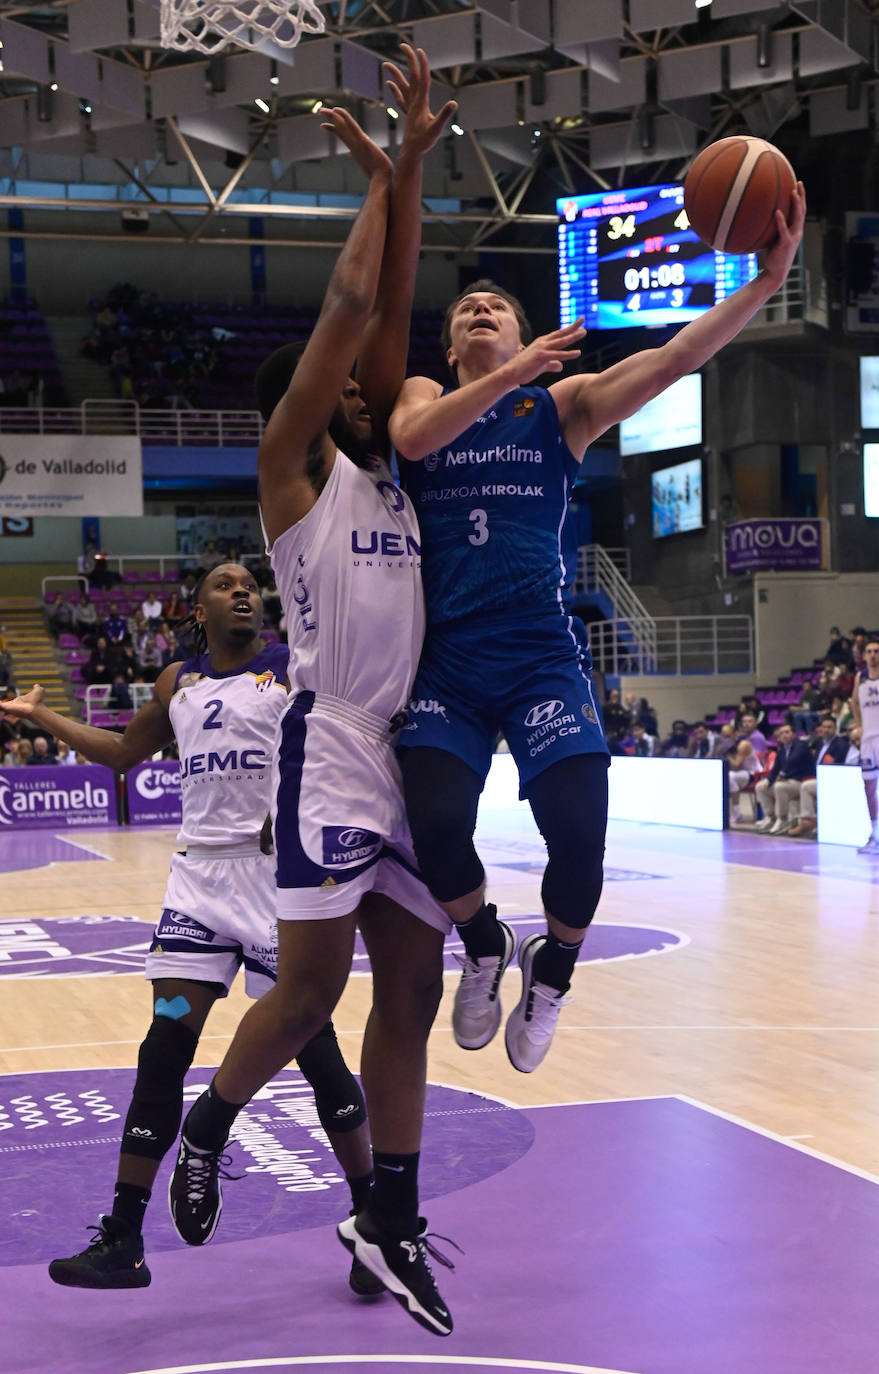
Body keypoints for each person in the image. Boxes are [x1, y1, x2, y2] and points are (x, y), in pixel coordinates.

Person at [167, 53, 459, 1338]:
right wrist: (375, 189)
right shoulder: (293, 475)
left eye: (363, 383)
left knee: (417, 983)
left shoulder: (393, 470)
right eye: (341, 379)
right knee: (311, 990)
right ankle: (210, 1126)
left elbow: (391, 311)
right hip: (329, 744)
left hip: (414, 748)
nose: (360, 381)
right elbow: (353, 297)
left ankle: (388, 1214)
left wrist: (413, 167)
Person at [386, 182, 804, 1072]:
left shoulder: (561, 406)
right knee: (436, 830)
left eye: (495, 305)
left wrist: (763, 284)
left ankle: (553, 970)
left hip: (537, 655)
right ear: (454, 341)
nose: (480, 311)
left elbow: (675, 357)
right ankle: (486, 942)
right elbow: (416, 442)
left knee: (578, 843)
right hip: (448, 660)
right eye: (466, 308)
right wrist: (515, 366)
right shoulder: (425, 394)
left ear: (517, 325)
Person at [0, 564, 376, 1293]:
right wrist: (39, 715)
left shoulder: (294, 671)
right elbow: (117, 753)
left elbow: (341, 750)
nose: (243, 591)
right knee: (163, 1047)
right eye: (224, 583)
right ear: (196, 608)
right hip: (198, 882)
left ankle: (374, 1226)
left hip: (276, 884)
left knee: (319, 1057)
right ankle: (123, 1239)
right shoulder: (177, 683)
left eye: (249, 585)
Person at [790, 714, 849, 836]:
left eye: (830, 727)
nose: (826, 730)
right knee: (802, 785)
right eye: (824, 727)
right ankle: (807, 821)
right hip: (819, 778)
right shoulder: (820, 744)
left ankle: (807, 821)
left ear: (835, 729)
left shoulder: (841, 745)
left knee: (806, 787)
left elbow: (839, 767)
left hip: (834, 780)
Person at [753, 722, 815, 835]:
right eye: (781, 733)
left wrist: (782, 774)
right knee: (760, 787)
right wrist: (767, 780)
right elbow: (775, 769)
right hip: (787, 782)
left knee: (779, 787)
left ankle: (783, 819)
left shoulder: (801, 745)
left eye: (787, 732)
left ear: (794, 734)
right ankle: (771, 818)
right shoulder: (781, 751)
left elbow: (793, 760)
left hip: (801, 782)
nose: (784, 735)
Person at [851, 635, 879, 854]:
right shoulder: (859, 677)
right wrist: (859, 726)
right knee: (868, 788)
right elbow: (854, 702)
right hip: (868, 740)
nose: (873, 655)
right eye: (869, 651)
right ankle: (874, 835)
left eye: (876, 651)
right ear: (864, 655)